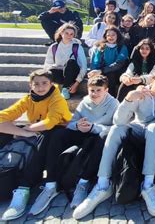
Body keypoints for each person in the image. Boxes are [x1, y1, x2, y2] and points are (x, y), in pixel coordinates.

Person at [72, 69, 155, 219]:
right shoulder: (140, 94)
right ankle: (102, 185)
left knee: (153, 127)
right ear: (152, 81)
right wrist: (128, 98)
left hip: (153, 132)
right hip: (137, 128)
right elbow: (118, 121)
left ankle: (148, 185)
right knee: (115, 130)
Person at [27, 75, 118, 216]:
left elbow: (116, 128)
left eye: (98, 90)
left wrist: (93, 127)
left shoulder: (114, 104)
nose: (94, 94)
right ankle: (51, 184)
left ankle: (83, 182)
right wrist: (78, 125)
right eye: (91, 90)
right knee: (57, 134)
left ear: (106, 90)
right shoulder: (84, 102)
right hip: (82, 133)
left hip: (98, 136)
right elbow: (71, 123)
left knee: (103, 138)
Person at [0, 70, 72, 221]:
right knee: (4, 133)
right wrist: (23, 132)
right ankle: (7, 169)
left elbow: (50, 122)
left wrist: (27, 130)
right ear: (30, 85)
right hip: (37, 130)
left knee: (47, 136)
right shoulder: (28, 98)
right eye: (36, 84)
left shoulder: (57, 98)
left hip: (63, 132)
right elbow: (6, 115)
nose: (40, 87)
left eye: (44, 83)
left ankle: (24, 188)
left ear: (51, 84)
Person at [43, 23, 87, 100]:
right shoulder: (54, 47)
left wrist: (77, 83)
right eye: (66, 33)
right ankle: (49, 91)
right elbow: (47, 65)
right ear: (61, 33)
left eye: (71, 34)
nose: (69, 36)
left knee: (71, 62)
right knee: (50, 71)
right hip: (60, 73)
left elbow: (83, 66)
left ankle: (66, 89)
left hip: (73, 73)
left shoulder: (77, 47)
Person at [88, 26, 129, 97]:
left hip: (116, 72)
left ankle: (110, 99)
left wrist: (101, 71)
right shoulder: (101, 46)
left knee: (110, 75)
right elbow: (95, 61)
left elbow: (118, 64)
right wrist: (94, 71)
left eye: (113, 35)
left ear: (117, 36)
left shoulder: (122, 47)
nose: (111, 37)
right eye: (108, 35)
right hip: (102, 71)